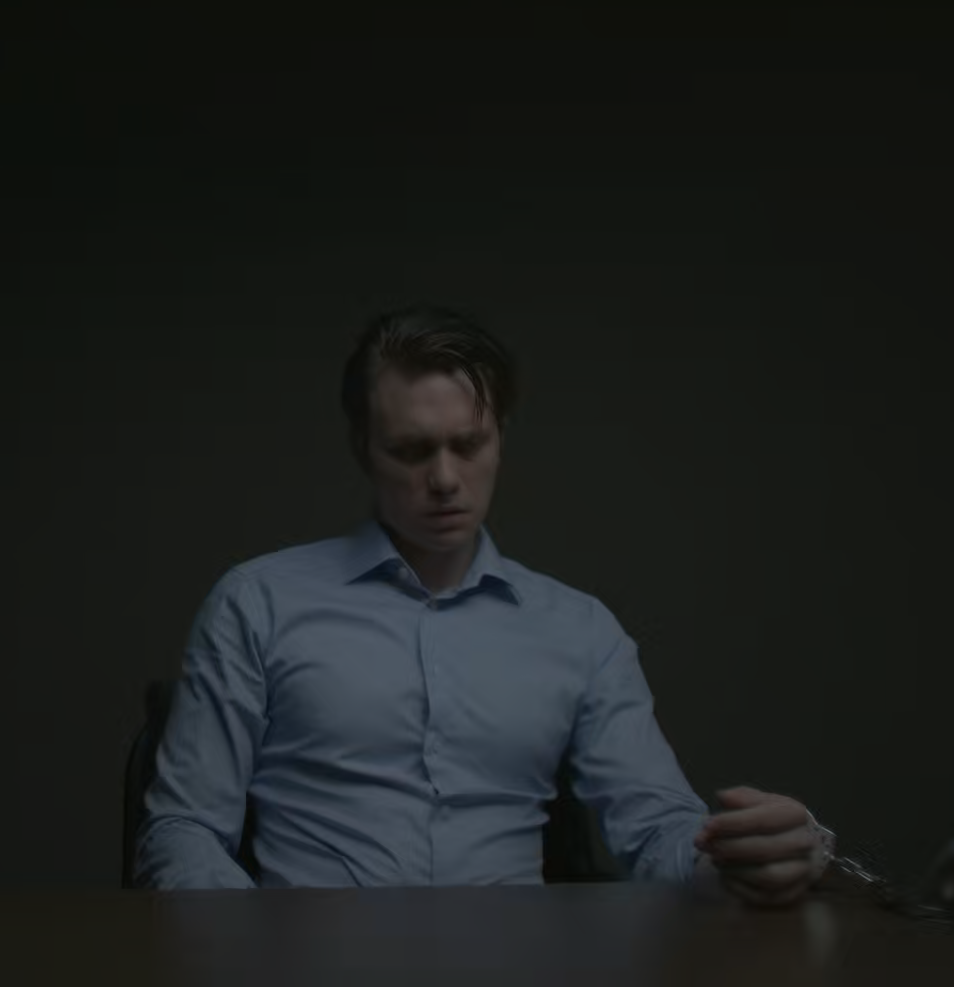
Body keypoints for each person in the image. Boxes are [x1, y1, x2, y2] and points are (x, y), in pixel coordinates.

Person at [134, 305, 829, 907]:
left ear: (501, 436)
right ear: (362, 448)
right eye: (411, 450)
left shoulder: (581, 630)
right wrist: (251, 956)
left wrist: (740, 862)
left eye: (468, 444)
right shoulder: (257, 602)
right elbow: (184, 830)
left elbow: (658, 833)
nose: (444, 478)